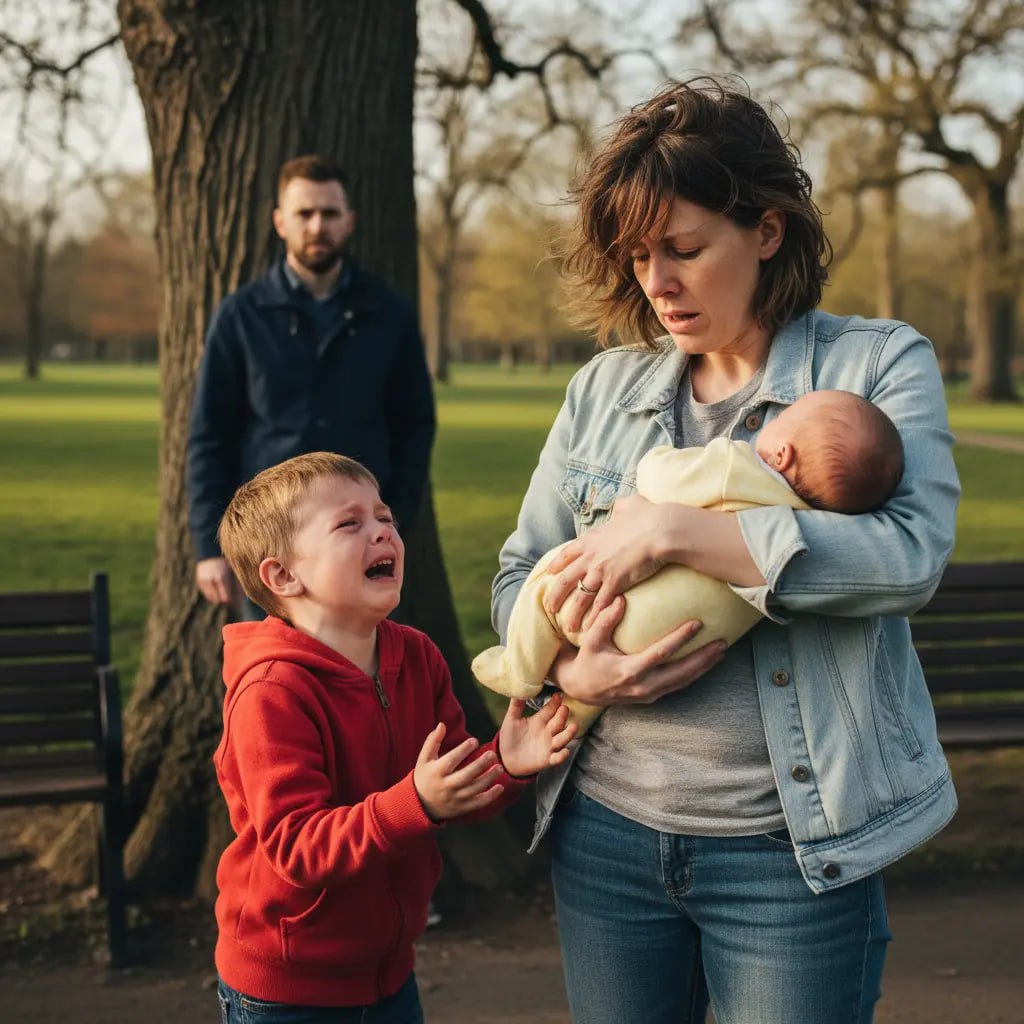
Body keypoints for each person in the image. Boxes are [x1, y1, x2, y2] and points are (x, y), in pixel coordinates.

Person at [491, 77, 960, 1024]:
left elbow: (910, 555)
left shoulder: (876, 365)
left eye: (685, 249)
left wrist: (679, 530)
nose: (655, 282)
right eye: (638, 256)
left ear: (769, 230)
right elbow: (518, 575)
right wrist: (583, 670)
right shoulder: (600, 391)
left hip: (790, 856)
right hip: (607, 840)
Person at [212, 452, 576, 1023]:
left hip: (390, 975)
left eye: (385, 518)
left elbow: (446, 790)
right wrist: (418, 802)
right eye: (349, 524)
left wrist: (506, 762)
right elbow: (295, 847)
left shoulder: (415, 656)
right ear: (284, 575)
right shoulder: (271, 691)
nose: (382, 530)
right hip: (287, 990)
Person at [474, 389, 903, 733]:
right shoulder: (804, 521)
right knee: (587, 692)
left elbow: (660, 475)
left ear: (782, 455)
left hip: (606, 610)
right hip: (678, 645)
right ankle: (576, 716)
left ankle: (519, 670)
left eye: (781, 419)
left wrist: (659, 509)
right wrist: (572, 676)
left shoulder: (737, 467)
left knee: (548, 578)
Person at [187, 154, 435, 618]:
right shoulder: (241, 315)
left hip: (361, 545)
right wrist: (208, 545)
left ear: (349, 221)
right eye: (305, 213)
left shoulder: (389, 314)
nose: (317, 225)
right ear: (281, 222)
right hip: (270, 546)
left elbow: (415, 424)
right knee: (277, 677)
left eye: (330, 213)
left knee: (361, 677)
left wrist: (392, 514)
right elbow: (209, 437)